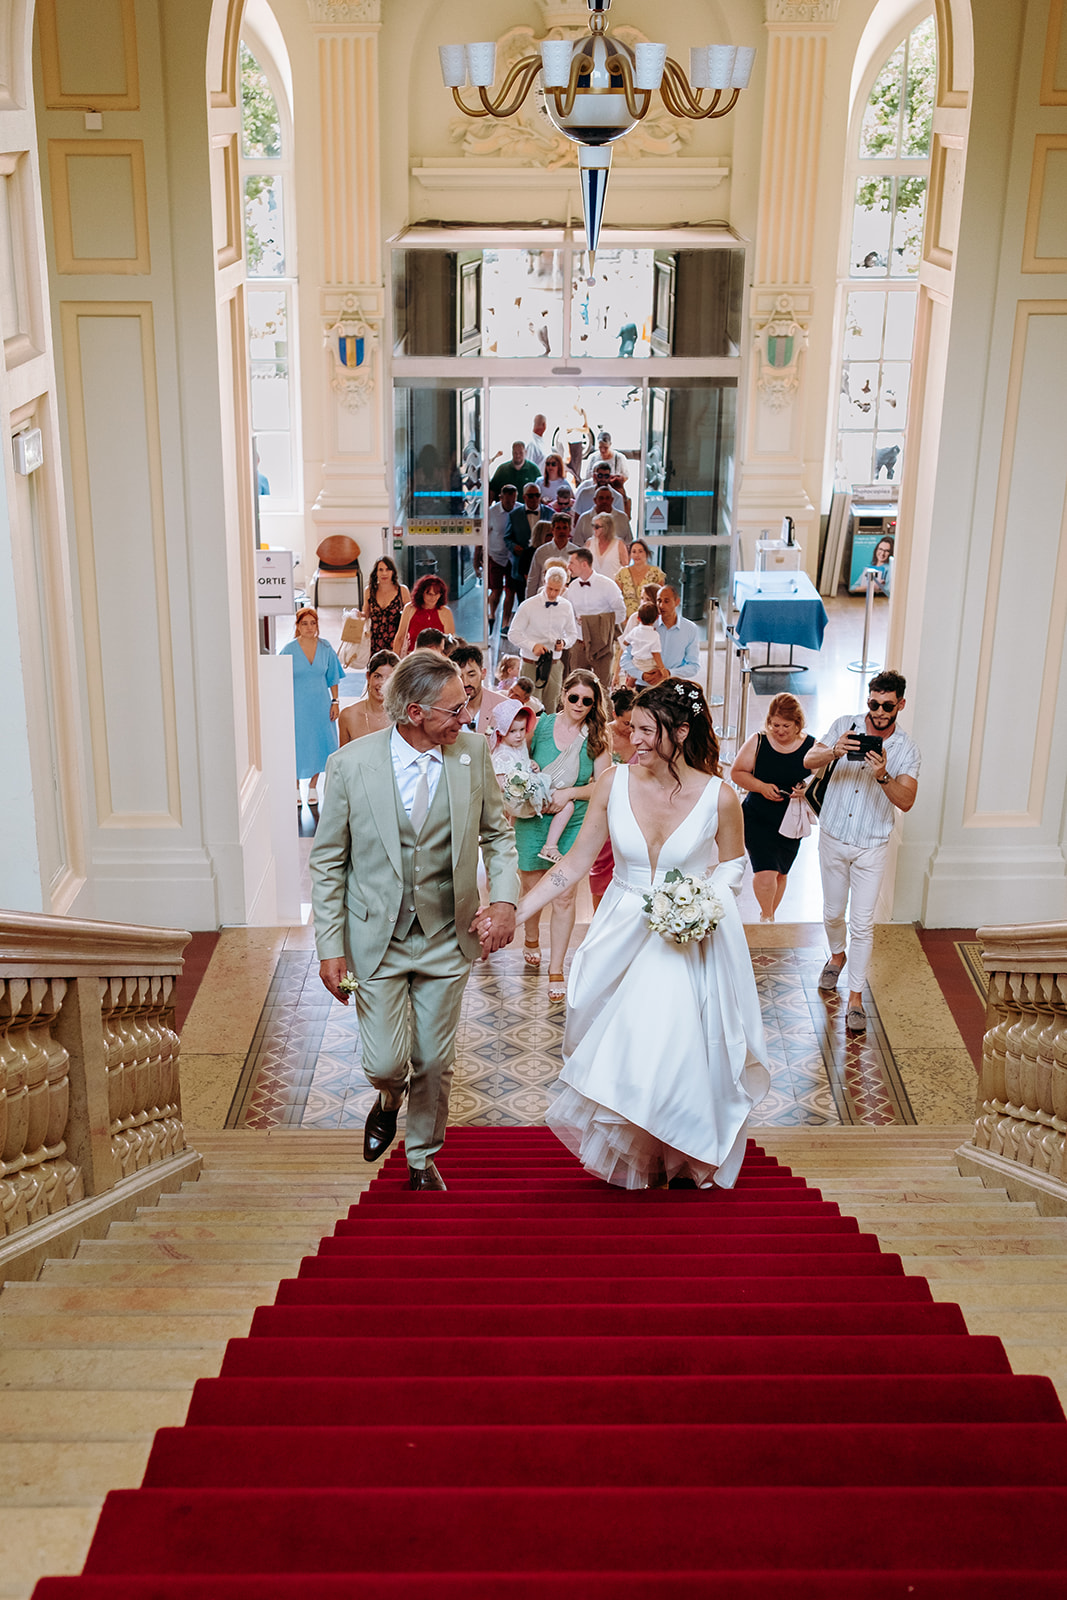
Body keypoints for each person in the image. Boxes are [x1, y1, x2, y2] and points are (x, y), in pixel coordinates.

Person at [515, 679, 770, 1189]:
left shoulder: (719, 797)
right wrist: (515, 914)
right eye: (632, 729)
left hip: (683, 936)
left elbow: (732, 865)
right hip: (621, 927)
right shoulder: (613, 783)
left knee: (669, 1041)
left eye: (648, 731)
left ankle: (684, 1148)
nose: (635, 740)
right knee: (621, 1043)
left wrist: (702, 903)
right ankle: (645, 1148)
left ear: (682, 732)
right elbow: (572, 864)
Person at [310, 650, 518, 1192]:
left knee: (433, 1059)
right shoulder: (350, 765)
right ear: (415, 713)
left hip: (448, 935)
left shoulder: (473, 753)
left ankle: (422, 1158)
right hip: (376, 937)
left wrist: (504, 901)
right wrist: (330, 946)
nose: (466, 717)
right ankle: (387, 1099)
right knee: (385, 1062)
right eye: (455, 709)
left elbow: (497, 834)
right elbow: (328, 862)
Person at [803, 670, 921, 1034]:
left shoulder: (907, 750)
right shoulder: (845, 725)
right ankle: (837, 955)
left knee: (863, 923)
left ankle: (855, 998)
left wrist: (883, 775)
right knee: (832, 912)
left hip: (872, 845)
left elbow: (907, 801)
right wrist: (833, 750)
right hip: (834, 836)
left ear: (900, 704)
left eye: (887, 705)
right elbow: (808, 760)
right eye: (874, 703)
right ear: (868, 699)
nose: (879, 712)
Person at [514, 670, 612, 1001]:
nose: (580, 705)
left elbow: (603, 785)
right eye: (574, 697)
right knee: (532, 886)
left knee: (565, 895)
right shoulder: (540, 726)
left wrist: (569, 793)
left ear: (594, 704)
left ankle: (556, 967)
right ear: (563, 695)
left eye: (588, 701)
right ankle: (531, 938)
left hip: (573, 820)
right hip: (534, 816)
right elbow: (517, 761)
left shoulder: (597, 737)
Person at [731, 693, 815, 924]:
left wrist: (805, 790)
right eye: (775, 725)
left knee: (781, 872)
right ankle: (766, 917)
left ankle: (769, 914)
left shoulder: (811, 746)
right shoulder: (758, 741)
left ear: (797, 724)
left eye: (786, 726)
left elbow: (822, 780)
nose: (780, 731)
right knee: (765, 872)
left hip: (791, 821)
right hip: (757, 817)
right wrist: (761, 787)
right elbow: (737, 773)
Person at [488, 698, 574, 862]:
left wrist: (530, 764)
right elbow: (500, 783)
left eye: (522, 729)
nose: (519, 735)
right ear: (501, 732)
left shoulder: (517, 745)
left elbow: (521, 763)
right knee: (568, 806)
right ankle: (550, 846)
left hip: (524, 797)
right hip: (520, 800)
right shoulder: (501, 754)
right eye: (513, 731)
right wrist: (519, 786)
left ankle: (511, 844)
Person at [280, 607, 342, 806]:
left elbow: (333, 677)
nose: (309, 627)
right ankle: (296, 786)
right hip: (296, 705)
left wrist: (335, 701)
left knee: (320, 741)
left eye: (313, 623)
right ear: (297, 626)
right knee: (297, 743)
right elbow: (278, 678)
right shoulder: (288, 650)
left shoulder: (325, 648)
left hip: (320, 705)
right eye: (304, 623)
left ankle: (313, 785)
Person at [507, 565, 579, 713]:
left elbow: (572, 634)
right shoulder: (528, 605)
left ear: (563, 588)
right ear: (544, 582)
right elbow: (513, 633)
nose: (552, 593)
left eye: (557, 590)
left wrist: (564, 643)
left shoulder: (566, 606)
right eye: (550, 588)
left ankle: (549, 729)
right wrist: (532, 646)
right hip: (530, 662)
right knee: (529, 707)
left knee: (552, 707)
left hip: (554, 664)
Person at [565, 548, 625, 689]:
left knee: (602, 686)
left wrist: (599, 624)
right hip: (579, 643)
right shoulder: (573, 587)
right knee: (576, 684)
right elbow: (569, 613)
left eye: (572, 563)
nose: (568, 567)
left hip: (602, 644)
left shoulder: (608, 585)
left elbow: (621, 612)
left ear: (584, 564)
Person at [620, 585, 700, 688]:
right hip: (644, 686)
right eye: (659, 601)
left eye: (666, 601)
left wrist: (669, 673)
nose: (661, 605)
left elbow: (693, 666)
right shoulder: (646, 625)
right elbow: (625, 659)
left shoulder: (690, 629)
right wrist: (642, 675)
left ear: (677, 602)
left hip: (672, 687)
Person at [338, 649, 397, 745]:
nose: (382, 683)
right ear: (368, 677)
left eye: (389, 678)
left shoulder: (403, 718)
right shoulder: (348, 716)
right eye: (377, 676)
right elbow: (343, 754)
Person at [449, 642, 507, 734]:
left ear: (483, 673)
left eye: (471, 675)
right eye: (459, 677)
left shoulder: (504, 707)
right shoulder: (445, 709)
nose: (465, 683)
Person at [393, 574, 455, 657]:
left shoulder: (445, 612)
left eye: (436, 594)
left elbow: (449, 645)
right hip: (414, 658)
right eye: (429, 594)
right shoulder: (409, 608)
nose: (433, 597)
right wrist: (395, 661)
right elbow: (400, 637)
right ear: (421, 593)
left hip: (437, 659)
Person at [361, 557, 410, 656]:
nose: (384, 573)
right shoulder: (369, 591)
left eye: (388, 569)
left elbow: (410, 616)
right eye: (381, 570)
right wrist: (356, 615)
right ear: (376, 573)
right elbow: (366, 613)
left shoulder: (402, 590)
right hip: (375, 642)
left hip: (396, 642)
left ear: (393, 572)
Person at [486, 483, 519, 630]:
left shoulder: (519, 510)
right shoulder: (491, 512)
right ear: (501, 498)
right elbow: (484, 535)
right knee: (496, 590)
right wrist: (480, 556)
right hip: (496, 556)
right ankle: (492, 614)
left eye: (513, 501)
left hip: (513, 557)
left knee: (511, 591)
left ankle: (505, 622)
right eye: (507, 501)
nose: (511, 504)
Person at [526, 512, 580, 599]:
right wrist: (529, 600)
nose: (561, 531)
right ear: (552, 529)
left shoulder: (577, 552)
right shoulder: (541, 551)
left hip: (567, 598)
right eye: (558, 528)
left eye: (564, 528)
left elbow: (579, 580)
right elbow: (533, 579)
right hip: (543, 596)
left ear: (570, 529)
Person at [506, 483, 548, 592]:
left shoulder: (549, 513)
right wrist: (514, 547)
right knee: (522, 597)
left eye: (537, 495)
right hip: (522, 563)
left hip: (544, 564)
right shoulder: (514, 515)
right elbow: (507, 538)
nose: (534, 499)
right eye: (531, 496)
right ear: (524, 497)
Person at [616, 540, 666, 619]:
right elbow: (617, 599)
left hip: (650, 619)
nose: (637, 555)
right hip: (626, 619)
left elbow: (660, 599)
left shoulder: (656, 573)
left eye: (640, 551)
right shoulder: (622, 573)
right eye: (634, 552)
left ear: (646, 553)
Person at [574, 485, 632, 551]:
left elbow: (628, 543)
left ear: (612, 500)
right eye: (601, 498)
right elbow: (577, 544)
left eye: (607, 498)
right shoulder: (584, 518)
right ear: (595, 500)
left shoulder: (622, 518)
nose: (604, 501)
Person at [621, 600, 665, 682]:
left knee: (634, 674)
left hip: (636, 662)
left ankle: (631, 681)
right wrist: (662, 668)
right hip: (649, 664)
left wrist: (634, 644)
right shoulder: (655, 635)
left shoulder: (634, 631)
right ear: (656, 618)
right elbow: (656, 653)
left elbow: (625, 642)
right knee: (656, 676)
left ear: (638, 618)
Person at [587, 511, 630, 581]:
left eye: (597, 527)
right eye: (593, 526)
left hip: (613, 584)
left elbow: (625, 568)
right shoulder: (589, 543)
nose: (594, 529)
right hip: (593, 584)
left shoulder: (619, 544)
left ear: (606, 528)